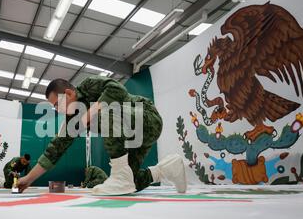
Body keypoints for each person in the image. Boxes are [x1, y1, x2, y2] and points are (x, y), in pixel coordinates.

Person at [17, 76, 187, 195]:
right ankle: (168, 168)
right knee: (131, 184)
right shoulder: (71, 121)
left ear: (69, 93)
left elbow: (118, 90)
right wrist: (29, 178)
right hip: (133, 139)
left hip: (147, 118)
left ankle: (120, 175)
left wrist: (89, 114)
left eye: (57, 104)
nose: (57, 110)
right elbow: (54, 150)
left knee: (106, 108)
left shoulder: (89, 84)